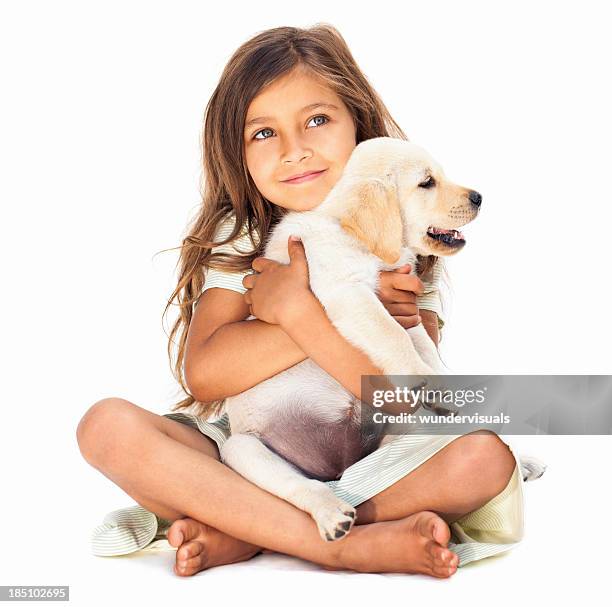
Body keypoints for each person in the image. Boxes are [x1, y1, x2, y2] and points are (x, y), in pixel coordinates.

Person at [76, 24, 524, 579]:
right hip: (255, 455)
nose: (295, 150)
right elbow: (207, 375)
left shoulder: (407, 232)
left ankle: (247, 530)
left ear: (358, 126)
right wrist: (321, 306)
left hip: (374, 461)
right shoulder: (238, 236)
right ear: (236, 154)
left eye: (317, 120)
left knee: (482, 459)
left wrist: (299, 308)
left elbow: (399, 403)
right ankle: (337, 544)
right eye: (263, 133)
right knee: (106, 427)